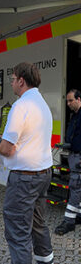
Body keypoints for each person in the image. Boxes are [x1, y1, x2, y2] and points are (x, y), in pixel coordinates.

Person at [0, 62, 54, 264]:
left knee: (18, 234)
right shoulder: (42, 105)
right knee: (38, 223)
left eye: (14, 79)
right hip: (43, 173)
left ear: (22, 81)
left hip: (24, 177)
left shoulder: (21, 106)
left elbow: (8, 148)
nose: (12, 82)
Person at [55, 89, 81, 235]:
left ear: (79, 99)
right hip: (74, 155)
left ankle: (69, 222)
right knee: (79, 188)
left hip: (78, 157)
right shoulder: (75, 115)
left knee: (75, 187)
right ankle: (79, 215)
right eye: (68, 101)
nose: (68, 103)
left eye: (71, 100)